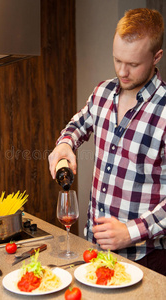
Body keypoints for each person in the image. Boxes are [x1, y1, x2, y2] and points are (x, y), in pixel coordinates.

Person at [48, 8, 166, 275]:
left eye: (133, 65)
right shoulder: (102, 92)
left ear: (156, 56)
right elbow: (78, 125)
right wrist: (65, 144)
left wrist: (131, 231)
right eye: (117, 60)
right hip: (96, 251)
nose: (122, 72)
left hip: (146, 258)